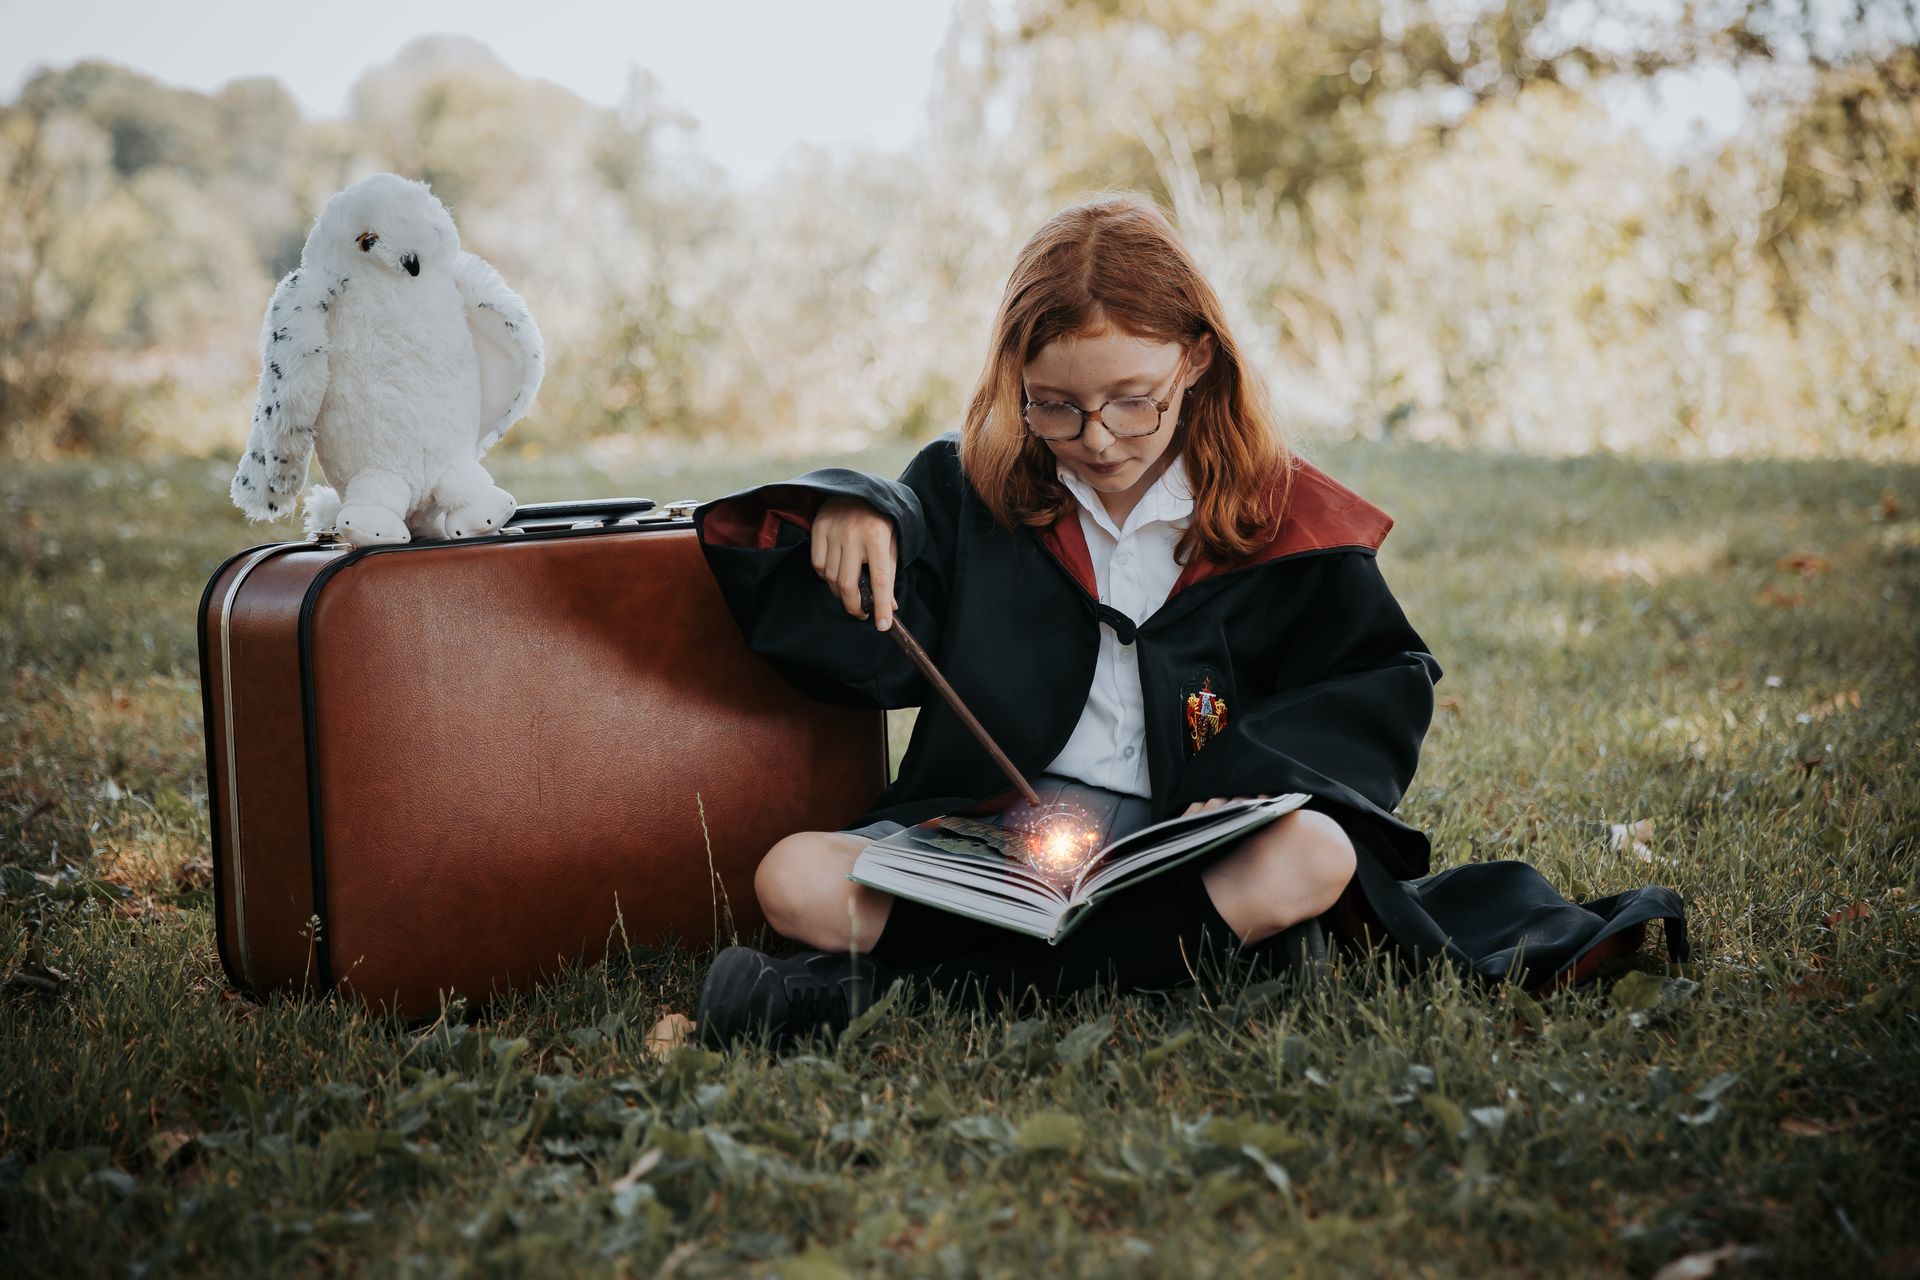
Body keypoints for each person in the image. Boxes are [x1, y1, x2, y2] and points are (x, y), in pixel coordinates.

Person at [689, 193, 1686, 1049]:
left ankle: (900, 991)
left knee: (1316, 855)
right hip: (1002, 832)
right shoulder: (969, 493)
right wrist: (858, 510)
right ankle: (1174, 963)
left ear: (1198, 360)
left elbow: (1376, 676)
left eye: (1135, 401)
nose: (1097, 438)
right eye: (1056, 407)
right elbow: (869, 625)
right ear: (1013, 383)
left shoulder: (1276, 513)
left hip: (1184, 845)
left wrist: (1250, 782)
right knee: (795, 877)